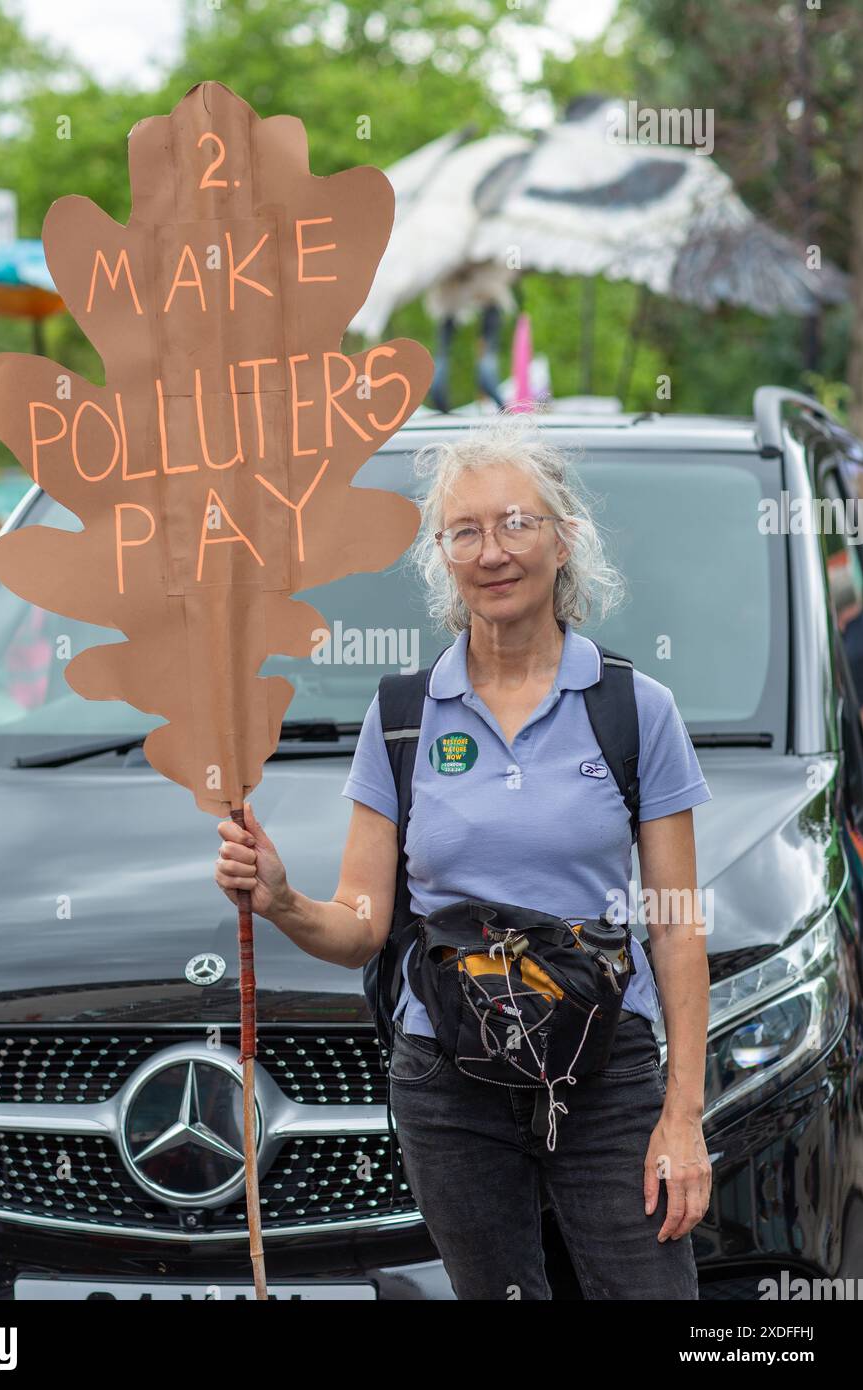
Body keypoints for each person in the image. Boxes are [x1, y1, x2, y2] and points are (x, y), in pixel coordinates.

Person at [213, 417, 713, 1300]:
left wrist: (682, 1114)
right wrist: (283, 899)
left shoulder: (636, 710)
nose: (494, 552)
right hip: (447, 1083)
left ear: (564, 540)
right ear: (440, 556)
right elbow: (362, 930)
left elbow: (676, 931)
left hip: (605, 1080)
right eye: (466, 531)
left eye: (517, 523)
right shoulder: (404, 716)